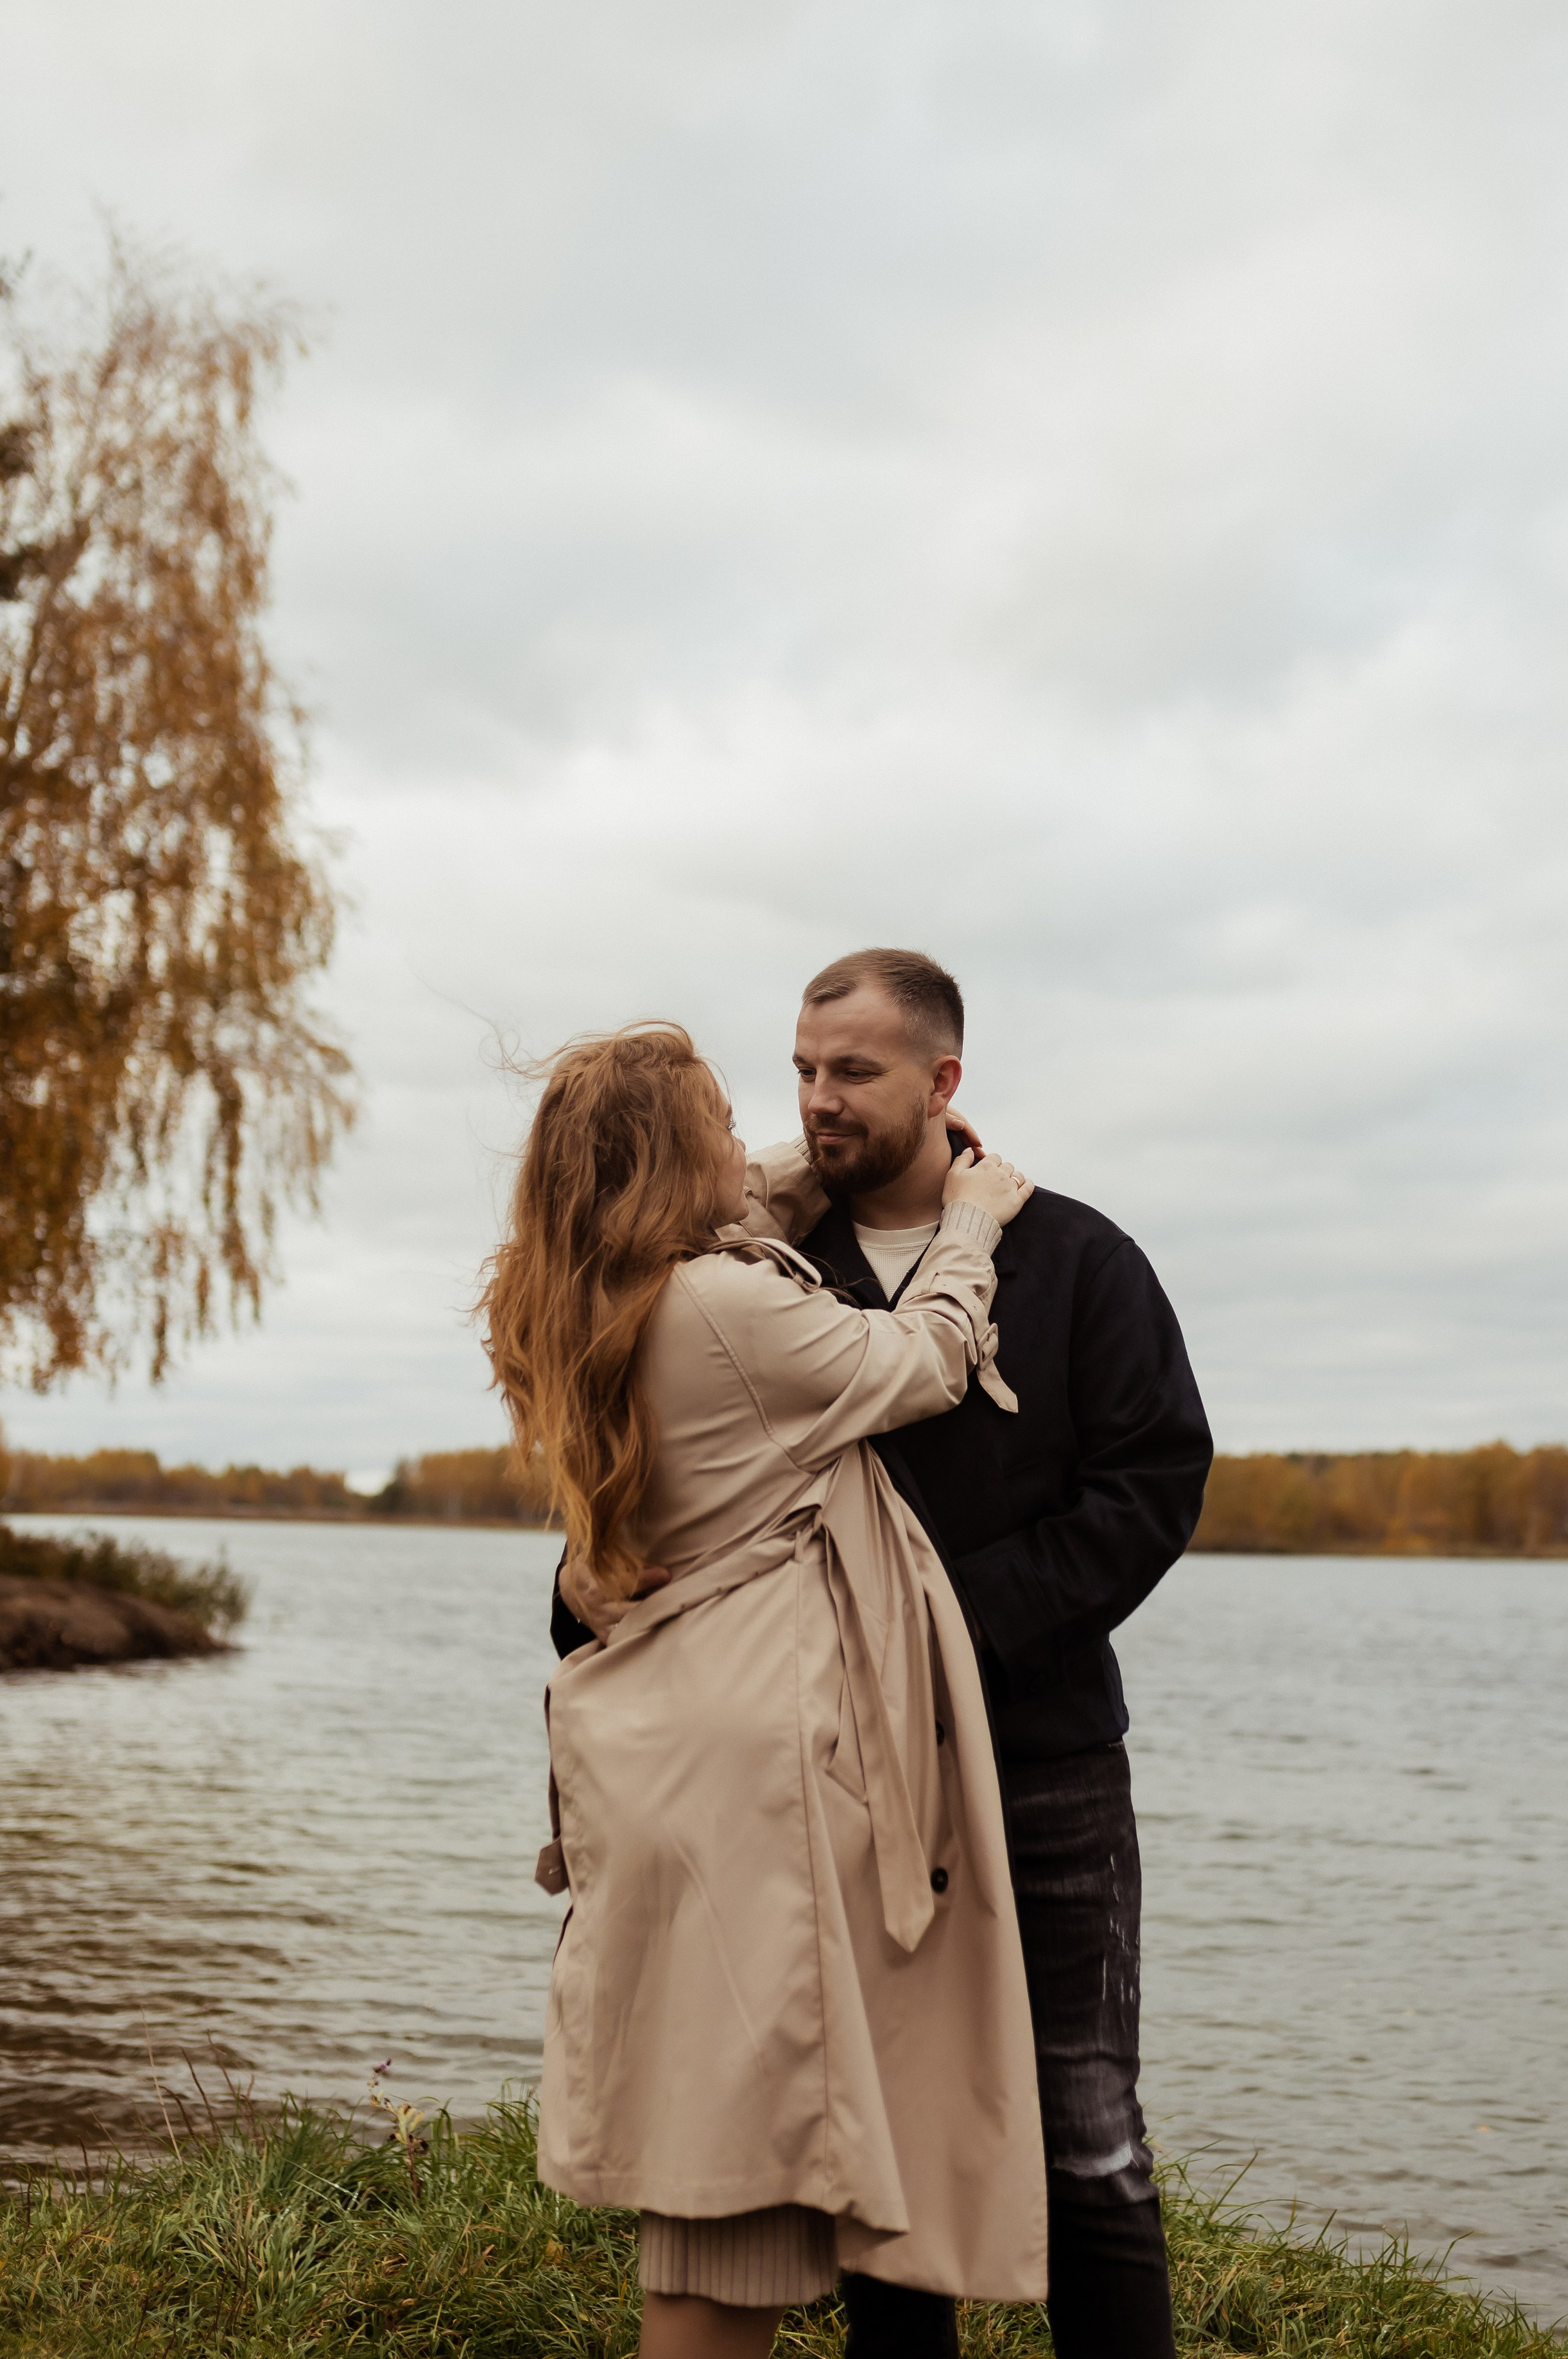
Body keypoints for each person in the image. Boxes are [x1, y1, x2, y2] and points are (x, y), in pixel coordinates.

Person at [557, 955, 1214, 2359]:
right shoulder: (754, 1263)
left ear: (941, 1082)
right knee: (891, 2150)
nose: (816, 1098)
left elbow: (1148, 1489)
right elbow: (651, 1480)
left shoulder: (1076, 1259)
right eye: (799, 1068)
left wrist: (934, 1635)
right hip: (838, 1783)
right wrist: (581, 1588)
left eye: (850, 1071)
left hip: (1037, 1763)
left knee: (1090, 2137)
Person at [487, 1023, 1046, 2359]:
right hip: (746, 1763)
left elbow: (741, 1205)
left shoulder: (570, 1291)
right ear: (678, 1160)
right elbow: (924, 1362)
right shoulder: (728, 1311)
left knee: (702, 2155)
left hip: (657, 1745)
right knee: (724, 2201)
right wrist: (966, 1216)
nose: (757, 1145)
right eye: (727, 1124)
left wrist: (827, 1161)